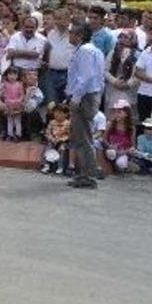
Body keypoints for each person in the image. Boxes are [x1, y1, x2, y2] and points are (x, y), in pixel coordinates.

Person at [65, 22, 106, 188]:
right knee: (83, 136)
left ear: (79, 36)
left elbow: (85, 77)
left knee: (83, 137)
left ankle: (87, 175)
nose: (69, 36)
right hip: (91, 95)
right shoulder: (94, 50)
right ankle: (85, 173)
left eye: (72, 33)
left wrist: (76, 98)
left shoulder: (84, 51)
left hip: (84, 97)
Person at [103, 100, 135, 174]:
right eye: (115, 112)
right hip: (111, 150)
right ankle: (111, 165)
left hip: (123, 151)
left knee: (121, 164)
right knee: (112, 153)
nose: (116, 114)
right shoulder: (110, 124)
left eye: (119, 112)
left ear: (126, 114)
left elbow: (132, 144)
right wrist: (110, 145)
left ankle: (120, 166)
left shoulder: (131, 127)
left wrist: (127, 151)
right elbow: (104, 139)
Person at [40, 104, 71, 175]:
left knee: (62, 149)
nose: (57, 114)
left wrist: (61, 139)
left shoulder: (68, 123)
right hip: (53, 140)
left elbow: (70, 135)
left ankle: (61, 167)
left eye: (60, 113)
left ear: (66, 114)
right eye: (55, 112)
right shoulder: (52, 122)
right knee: (48, 148)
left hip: (63, 142)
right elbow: (48, 132)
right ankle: (46, 165)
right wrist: (51, 138)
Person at [0, 67, 25, 140]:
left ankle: (18, 134)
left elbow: (22, 95)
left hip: (17, 104)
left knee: (17, 120)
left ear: (17, 75)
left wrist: (19, 101)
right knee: (9, 120)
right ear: (6, 75)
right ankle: (10, 134)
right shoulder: (5, 84)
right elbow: (3, 94)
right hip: (8, 104)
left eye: (14, 74)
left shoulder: (19, 84)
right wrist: (5, 99)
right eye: (10, 74)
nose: (12, 76)